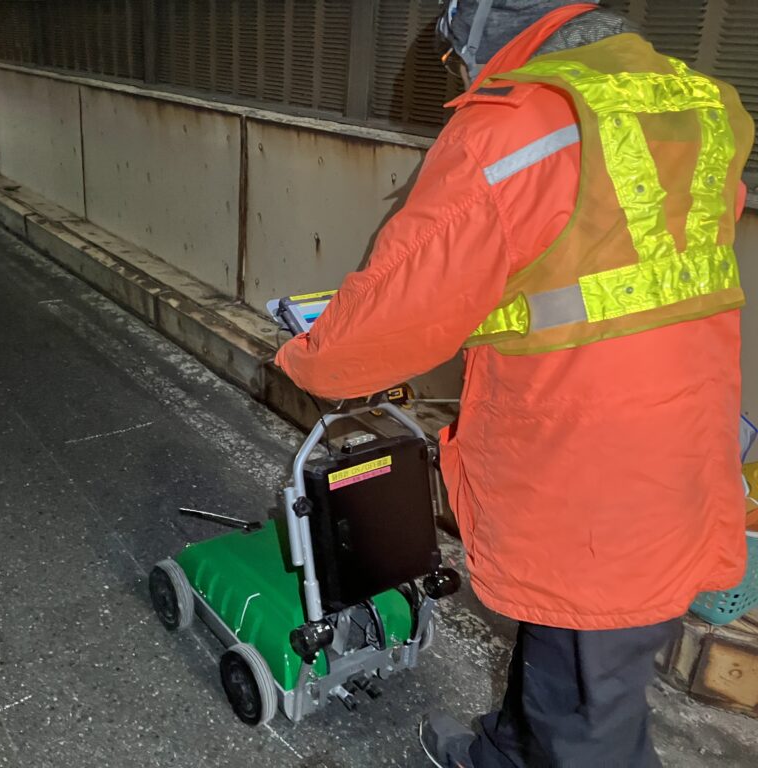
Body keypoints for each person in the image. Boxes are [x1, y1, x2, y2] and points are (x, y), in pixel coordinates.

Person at [274, 1, 754, 766]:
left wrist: (312, 359)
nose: (460, 72)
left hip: (585, 464)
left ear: (482, 28)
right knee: (559, 634)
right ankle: (503, 753)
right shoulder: (699, 103)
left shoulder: (515, 125)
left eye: (453, 55)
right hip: (687, 441)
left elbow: (404, 301)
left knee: (590, 712)